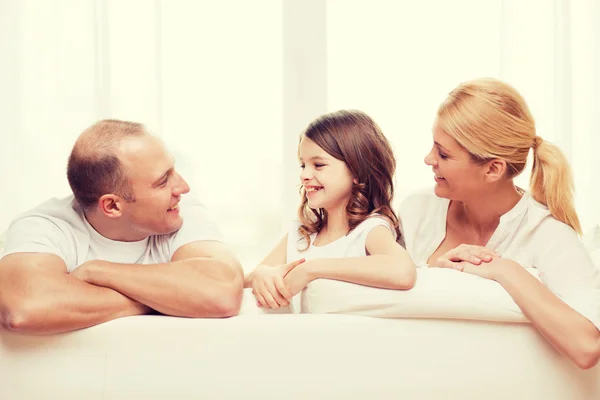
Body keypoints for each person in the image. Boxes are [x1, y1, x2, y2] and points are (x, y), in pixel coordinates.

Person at [399, 78, 600, 369]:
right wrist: (436, 274)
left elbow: (587, 347)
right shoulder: (417, 210)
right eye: (434, 146)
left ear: (493, 169)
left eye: (443, 154)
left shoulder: (549, 234)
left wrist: (504, 269)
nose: (429, 158)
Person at [0, 119, 243, 334]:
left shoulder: (180, 211)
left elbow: (222, 292)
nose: (183, 187)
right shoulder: (44, 226)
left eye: (174, 170)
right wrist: (167, 301)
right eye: (162, 181)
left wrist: (99, 271)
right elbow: (24, 308)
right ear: (112, 206)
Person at [245, 110, 416, 311]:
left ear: (356, 171)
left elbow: (403, 271)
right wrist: (260, 273)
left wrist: (312, 268)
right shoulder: (299, 236)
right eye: (303, 165)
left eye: (318, 165)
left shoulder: (369, 230)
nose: (305, 175)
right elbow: (245, 285)